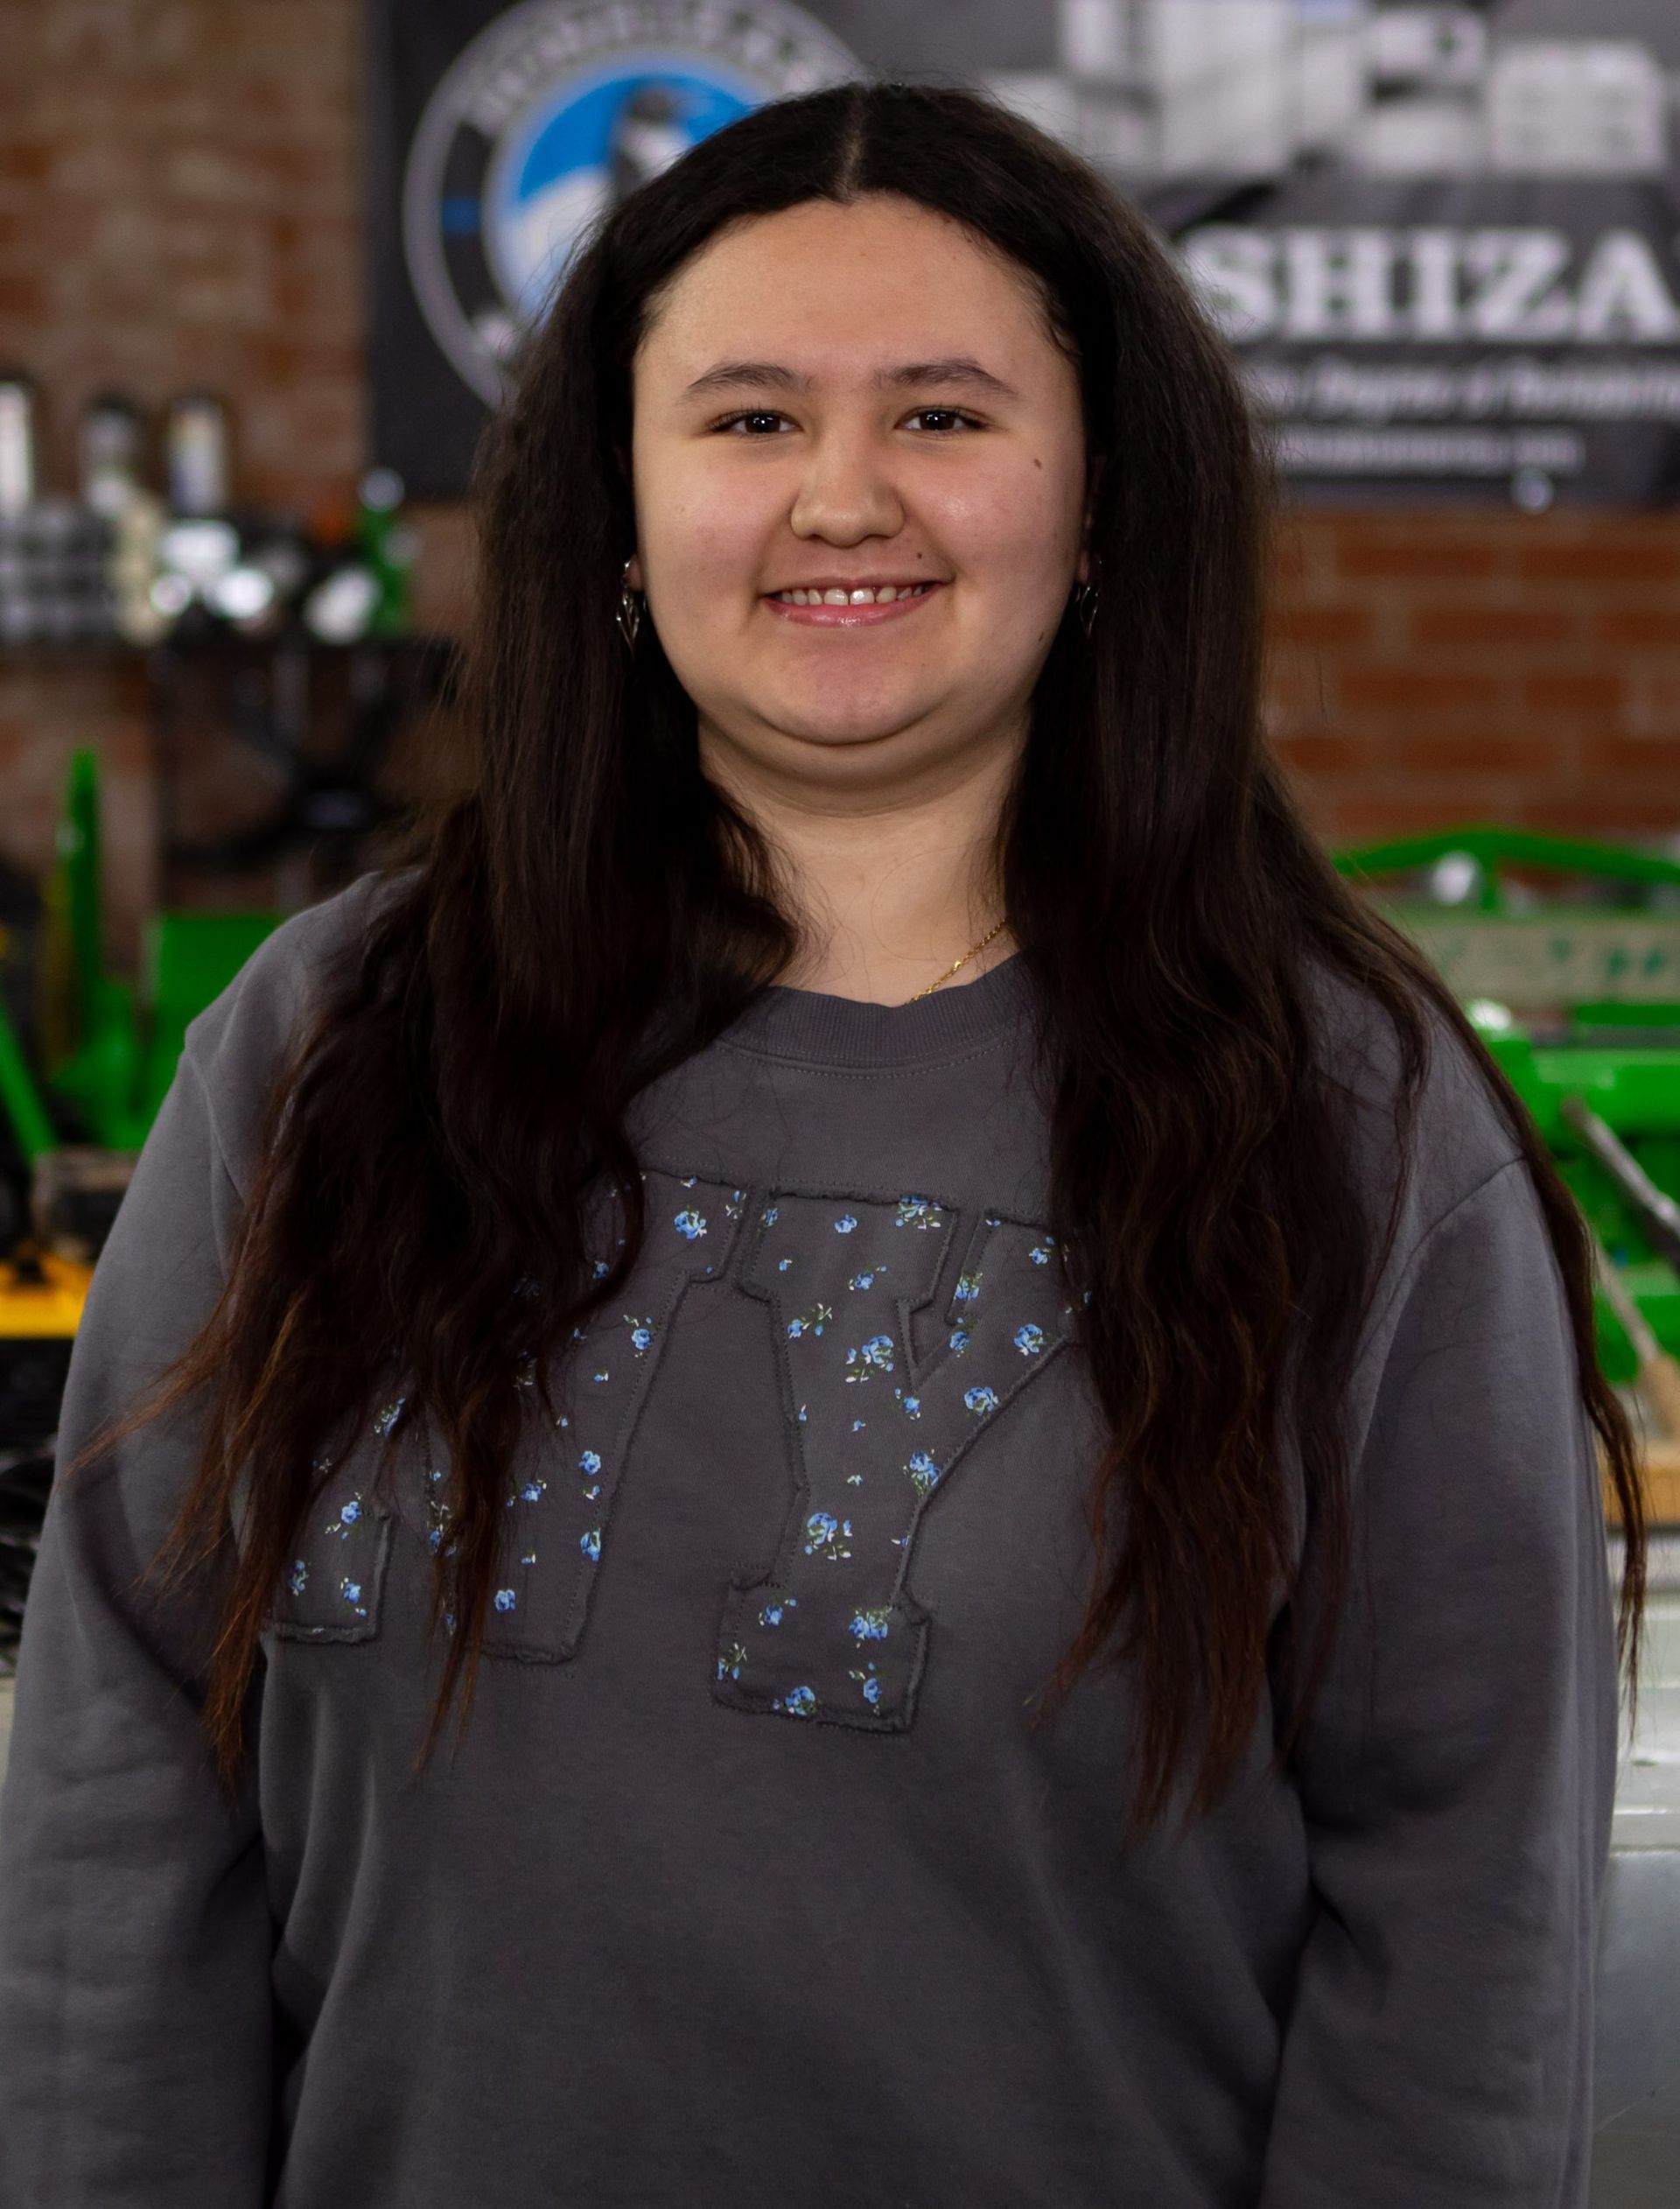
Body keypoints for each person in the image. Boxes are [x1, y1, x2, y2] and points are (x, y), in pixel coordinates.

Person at [0, 78, 1647, 2209]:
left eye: (946, 417)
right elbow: (127, 1796)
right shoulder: (327, 1046)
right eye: (751, 416)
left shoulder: (1348, 1127)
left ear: (1101, 501)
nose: (843, 496)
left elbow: (1464, 1926)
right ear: (617, 500)